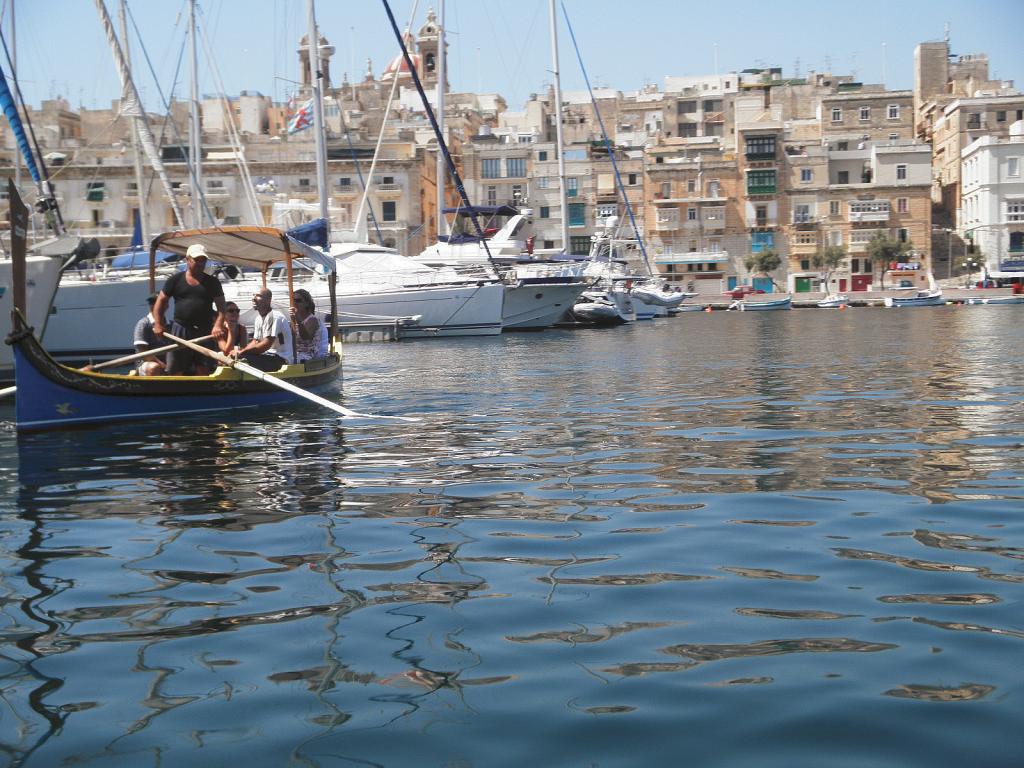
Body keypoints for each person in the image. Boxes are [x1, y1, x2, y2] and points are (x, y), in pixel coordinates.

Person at [152, 243, 227, 374]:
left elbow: (222, 307)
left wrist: (218, 325)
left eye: (203, 260)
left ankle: (204, 391)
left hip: (204, 331)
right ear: (187, 259)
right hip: (180, 330)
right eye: (197, 260)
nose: (200, 263)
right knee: (176, 369)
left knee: (203, 368)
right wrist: (158, 324)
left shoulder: (213, 282)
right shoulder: (175, 280)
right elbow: (160, 302)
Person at [234, 288, 293, 372]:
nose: (253, 298)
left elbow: (266, 344)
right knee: (239, 358)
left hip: (281, 359)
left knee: (243, 360)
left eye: (258, 296)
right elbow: (255, 342)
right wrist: (240, 352)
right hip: (268, 355)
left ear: (268, 300)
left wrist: (242, 353)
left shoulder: (274, 317)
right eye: (253, 295)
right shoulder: (258, 318)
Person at [132, 293, 167, 376]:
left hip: (167, 362)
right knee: (154, 367)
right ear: (152, 306)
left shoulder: (171, 325)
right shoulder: (143, 324)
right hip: (146, 362)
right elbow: (143, 351)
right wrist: (162, 365)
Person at [291, 288, 328, 361]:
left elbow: (305, 337)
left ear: (306, 303)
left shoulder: (312, 320)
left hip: (309, 356)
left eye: (298, 301)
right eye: (293, 301)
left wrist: (298, 320)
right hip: (296, 353)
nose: (295, 303)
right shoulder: (293, 321)